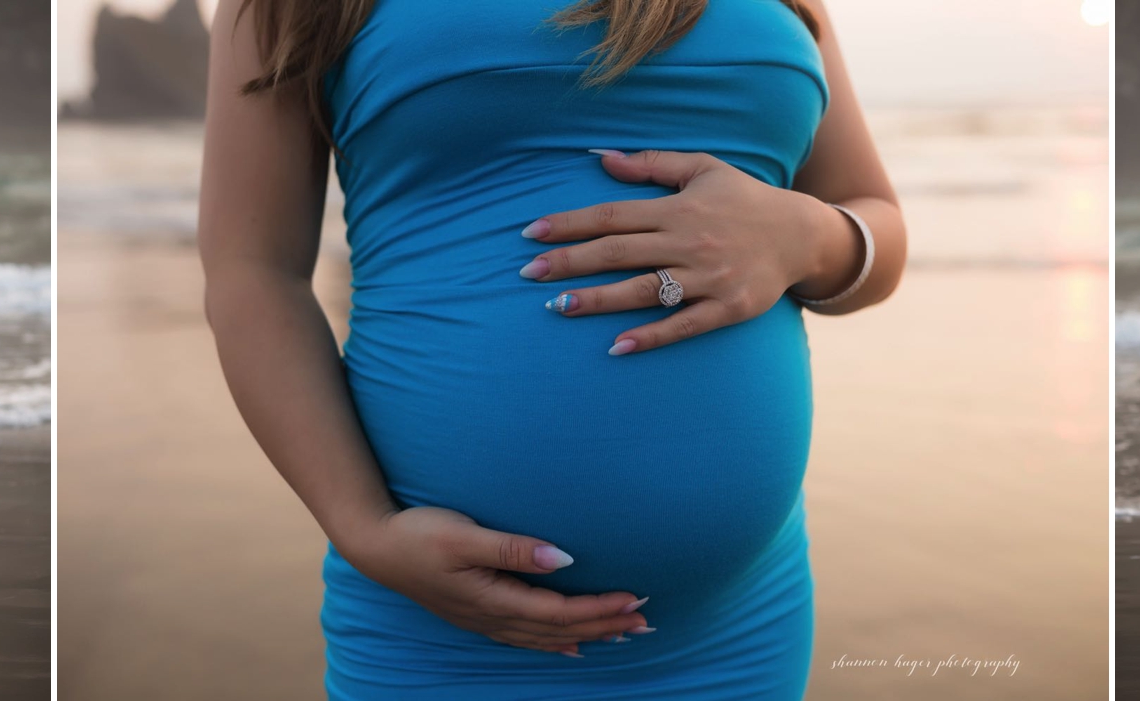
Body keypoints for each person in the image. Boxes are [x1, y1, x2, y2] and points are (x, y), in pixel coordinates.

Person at [200, 0, 904, 696]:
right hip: (443, 634)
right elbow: (252, 272)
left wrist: (807, 237)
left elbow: (873, 216)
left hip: (742, 627)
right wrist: (363, 527)